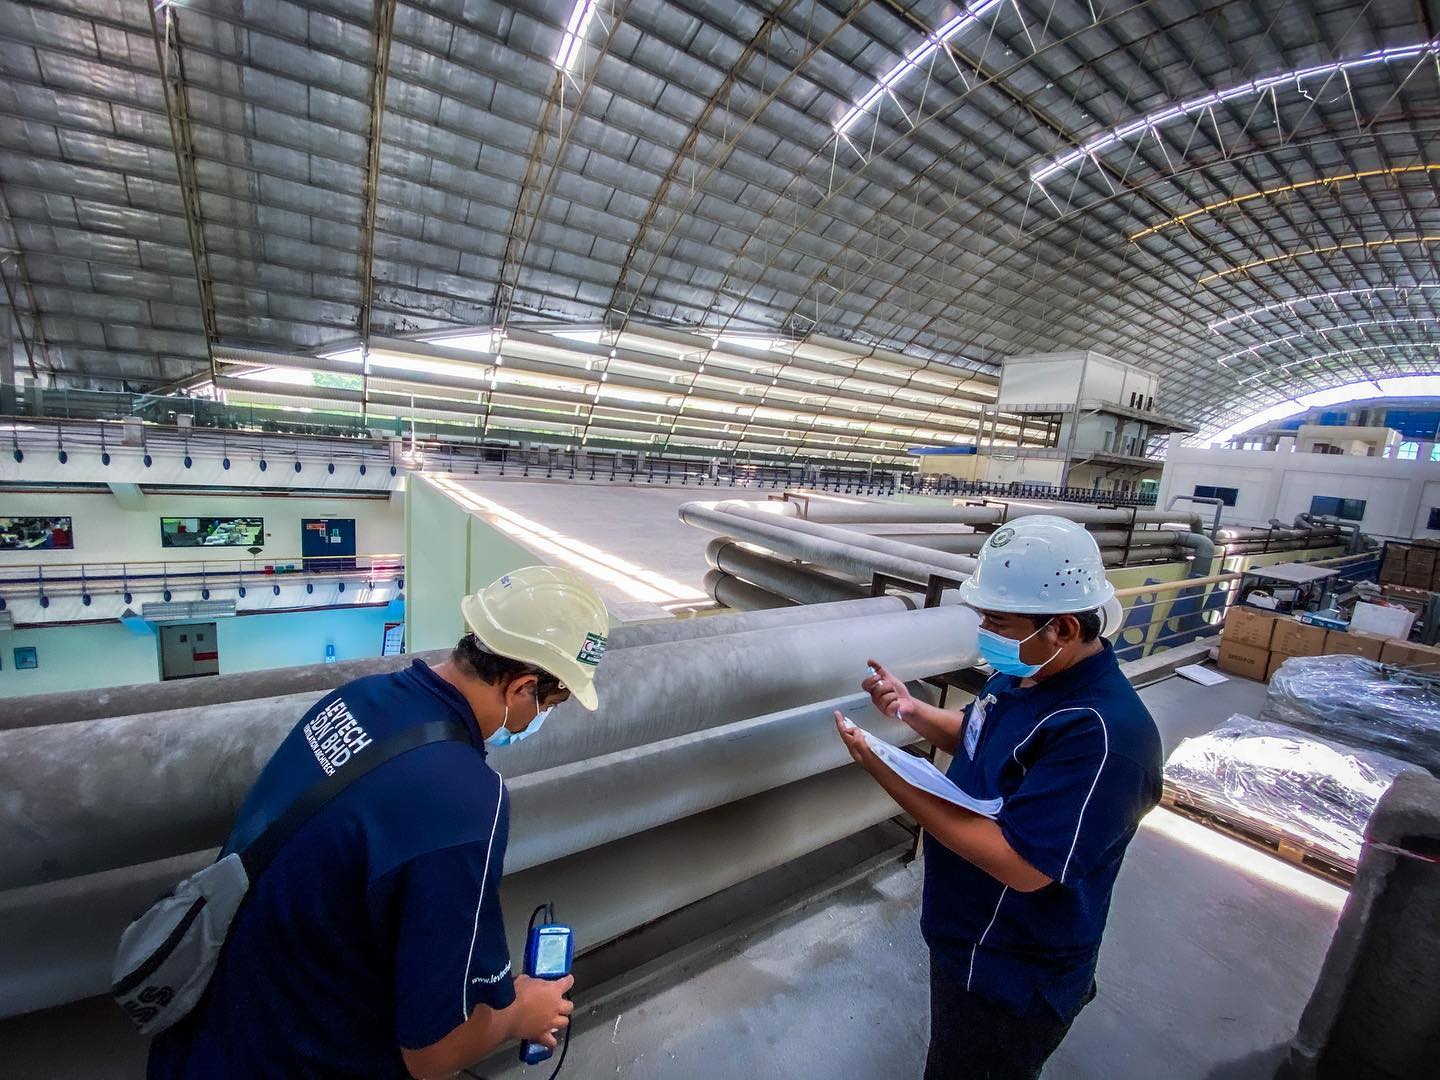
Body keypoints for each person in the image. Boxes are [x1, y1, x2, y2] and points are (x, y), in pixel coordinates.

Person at [148, 565, 611, 1079]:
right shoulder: (466, 799)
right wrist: (519, 1015)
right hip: (301, 1059)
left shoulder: (356, 698)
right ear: (522, 687)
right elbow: (432, 1053)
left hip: (208, 1040)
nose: (541, 717)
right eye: (551, 702)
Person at [836, 516, 1162, 1080]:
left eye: (998, 620)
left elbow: (1025, 866)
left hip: (1015, 968)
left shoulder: (1103, 736)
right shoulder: (1028, 673)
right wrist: (909, 710)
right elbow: (977, 731)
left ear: (1062, 626)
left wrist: (890, 773)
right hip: (968, 933)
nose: (985, 629)